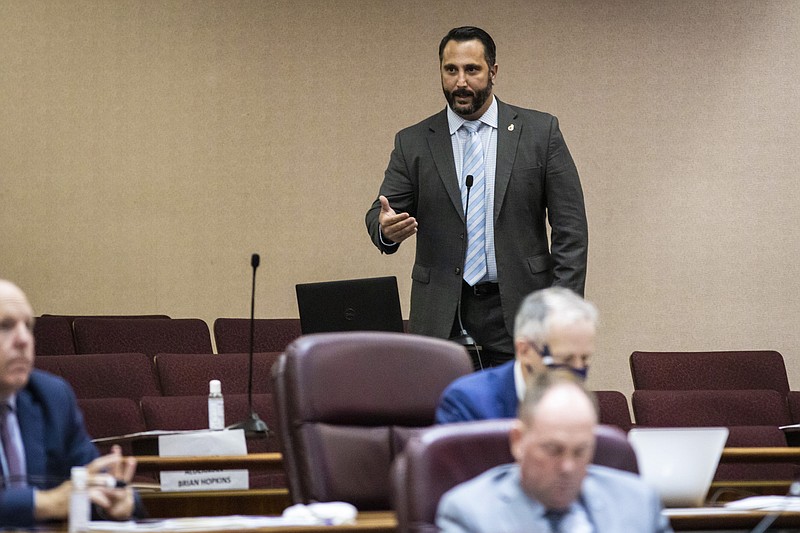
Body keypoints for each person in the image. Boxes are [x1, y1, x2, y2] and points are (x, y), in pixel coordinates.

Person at [365, 26, 588, 367]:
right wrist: (385, 230)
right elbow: (380, 213)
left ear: (493, 71)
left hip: (519, 307)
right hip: (442, 312)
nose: (460, 82)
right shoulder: (413, 142)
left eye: (472, 70)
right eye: (450, 70)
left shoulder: (540, 133)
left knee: (517, 417)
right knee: (446, 417)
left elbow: (571, 230)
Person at [436, 371, 673, 532]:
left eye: (580, 451)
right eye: (553, 450)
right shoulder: (469, 513)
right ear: (518, 441)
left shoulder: (639, 503)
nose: (567, 467)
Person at [0, 279, 143, 528]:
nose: (24, 340)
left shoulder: (50, 396)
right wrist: (45, 502)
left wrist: (117, 500)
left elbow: (90, 481)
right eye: (5, 326)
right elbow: (59, 498)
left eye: (28, 326)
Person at [435, 286, 596, 424]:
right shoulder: (468, 404)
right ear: (524, 351)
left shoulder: (580, 407)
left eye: (584, 359)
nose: (578, 372)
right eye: (565, 359)